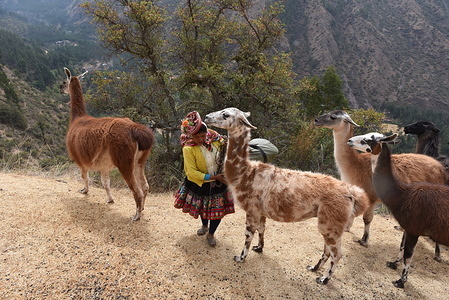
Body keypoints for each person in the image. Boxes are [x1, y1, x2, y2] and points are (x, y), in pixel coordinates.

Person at [174, 111, 235, 247]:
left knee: (217, 211)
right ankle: (204, 225)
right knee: (204, 208)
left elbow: (227, 153)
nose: (201, 139)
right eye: (197, 137)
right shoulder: (188, 149)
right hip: (202, 183)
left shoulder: (217, 140)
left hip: (220, 182)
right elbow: (191, 173)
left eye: (203, 135)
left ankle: (211, 233)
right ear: (191, 135)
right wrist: (213, 177)